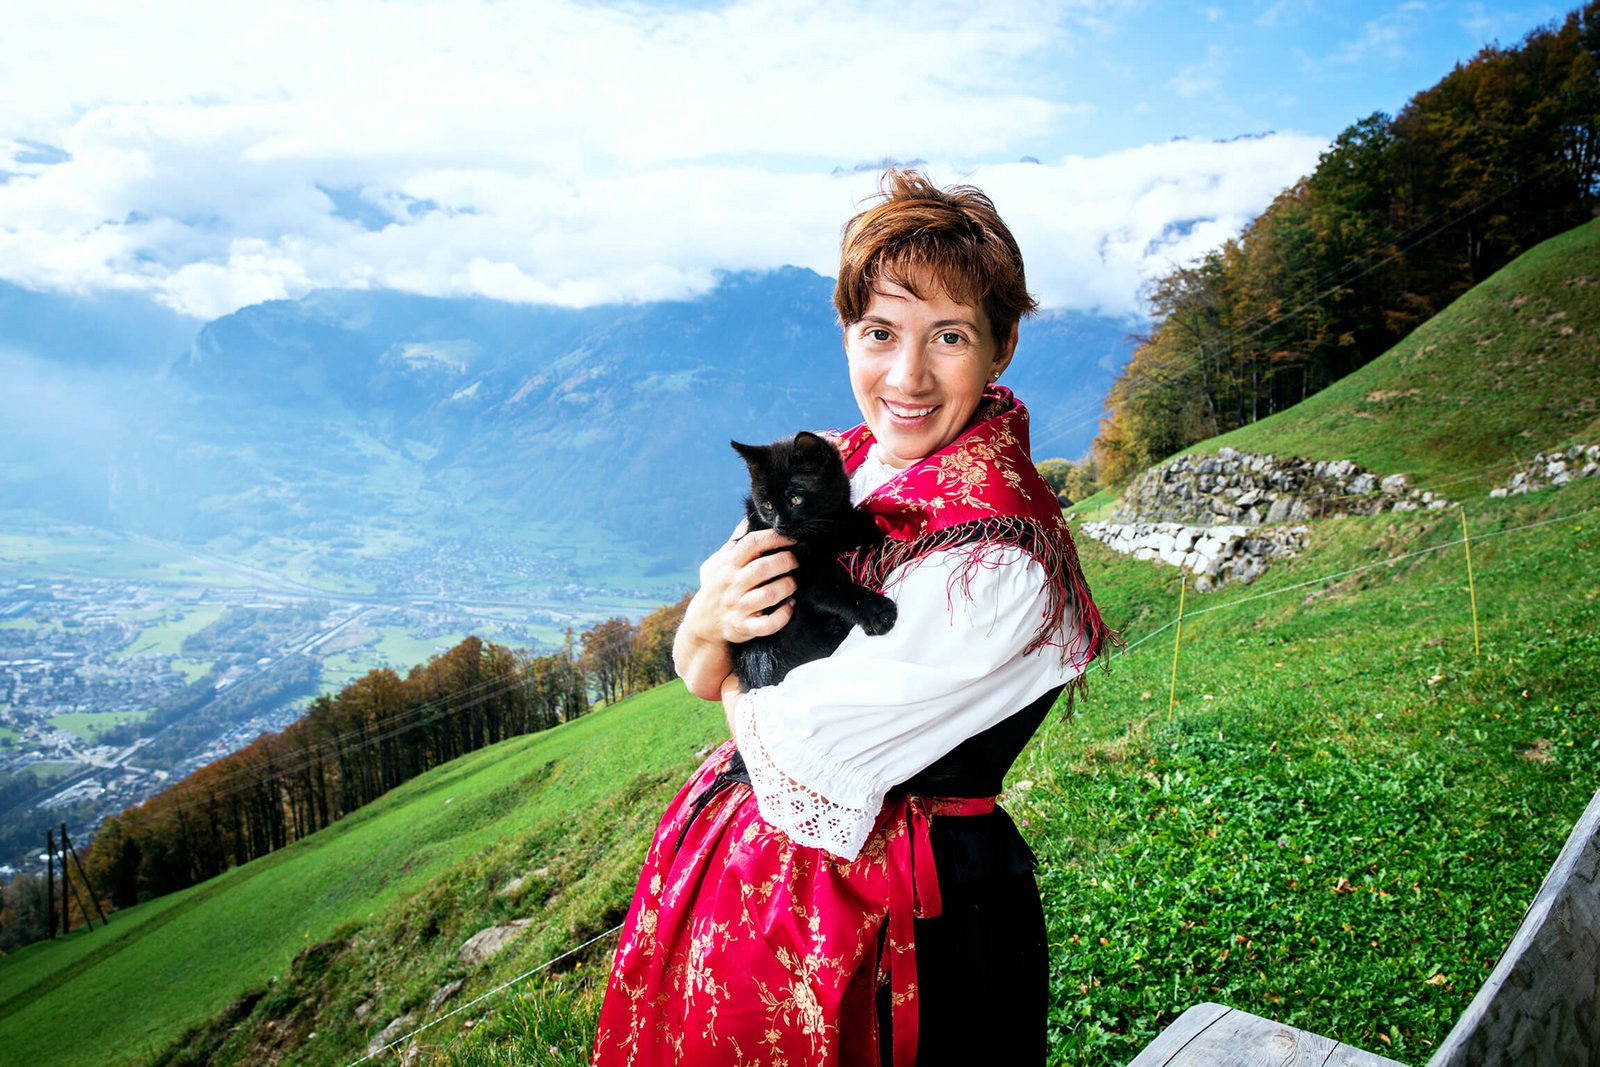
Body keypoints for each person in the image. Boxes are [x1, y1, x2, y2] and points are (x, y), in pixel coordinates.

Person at [591, 169, 1110, 1066]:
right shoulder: (840, 461)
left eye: (949, 336)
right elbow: (698, 664)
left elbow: (797, 755)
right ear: (845, 334)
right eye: (879, 333)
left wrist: (723, 639)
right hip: (761, 886)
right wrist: (710, 622)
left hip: (903, 924)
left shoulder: (998, 559)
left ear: (1002, 346)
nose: (907, 376)